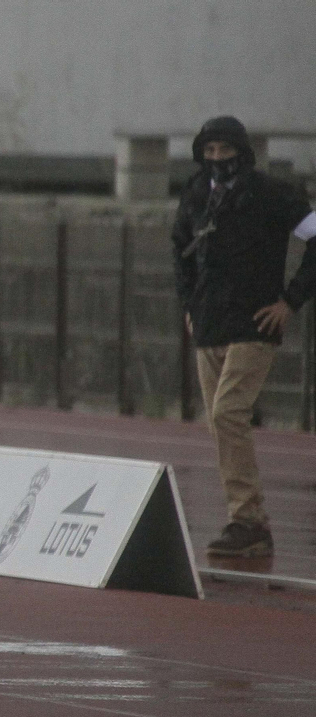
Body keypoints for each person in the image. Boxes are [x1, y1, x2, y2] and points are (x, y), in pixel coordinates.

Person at [173, 115, 316, 558]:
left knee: (228, 414)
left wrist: (290, 301)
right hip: (210, 323)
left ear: (243, 153)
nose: (217, 159)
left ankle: (247, 519)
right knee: (221, 422)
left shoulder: (271, 195)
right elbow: (180, 248)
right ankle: (247, 520)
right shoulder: (196, 193)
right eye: (210, 151)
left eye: (225, 150)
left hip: (255, 324)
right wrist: (189, 304)